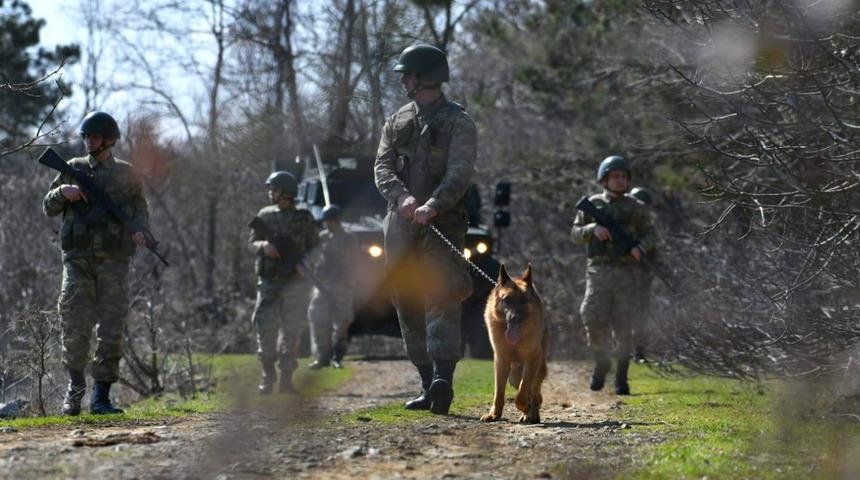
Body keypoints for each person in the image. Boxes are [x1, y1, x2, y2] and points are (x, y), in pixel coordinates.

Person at [374, 44, 477, 415]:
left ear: (424, 77)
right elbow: (382, 167)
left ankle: (443, 380)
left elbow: (460, 173)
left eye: (408, 74)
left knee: (442, 295)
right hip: (400, 226)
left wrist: (433, 205)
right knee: (406, 300)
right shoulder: (397, 120)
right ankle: (425, 383)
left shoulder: (459, 122)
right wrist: (401, 198)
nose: (403, 80)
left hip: (443, 224)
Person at [43, 111, 149, 415]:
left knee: (112, 327)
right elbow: (48, 206)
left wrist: (141, 232)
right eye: (87, 137)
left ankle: (101, 397)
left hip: (115, 261)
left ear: (110, 140)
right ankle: (74, 391)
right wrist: (63, 192)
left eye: (96, 137)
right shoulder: (72, 169)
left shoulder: (128, 174)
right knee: (74, 323)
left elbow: (140, 211)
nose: (90, 142)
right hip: (77, 261)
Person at [571, 155, 655, 395]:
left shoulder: (636, 207)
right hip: (598, 270)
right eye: (615, 176)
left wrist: (641, 247)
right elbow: (574, 233)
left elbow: (652, 235)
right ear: (605, 179)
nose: (620, 180)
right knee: (592, 316)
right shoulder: (593, 204)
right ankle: (601, 361)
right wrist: (592, 229)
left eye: (623, 176)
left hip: (627, 272)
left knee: (623, 324)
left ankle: (621, 378)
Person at [248, 171, 319, 394]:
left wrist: (305, 264)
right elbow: (251, 243)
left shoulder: (304, 217)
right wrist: (264, 247)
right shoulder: (265, 215)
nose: (271, 193)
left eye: (275, 189)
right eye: (271, 189)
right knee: (265, 331)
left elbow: (316, 248)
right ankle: (267, 375)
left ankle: (287, 379)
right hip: (269, 282)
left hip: (296, 285)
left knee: (293, 332)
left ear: (287, 193)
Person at [307, 205, 358, 370]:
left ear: (337, 221)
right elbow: (313, 257)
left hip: (342, 285)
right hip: (322, 285)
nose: (328, 224)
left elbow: (352, 260)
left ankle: (338, 356)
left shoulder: (348, 238)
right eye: (326, 221)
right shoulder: (322, 237)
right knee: (317, 318)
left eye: (331, 221)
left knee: (342, 322)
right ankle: (322, 357)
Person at [628, 186, 655, 364]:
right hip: (622, 276)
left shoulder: (647, 229)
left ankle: (638, 351)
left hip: (642, 276)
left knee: (641, 315)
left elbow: (654, 248)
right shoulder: (625, 225)